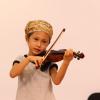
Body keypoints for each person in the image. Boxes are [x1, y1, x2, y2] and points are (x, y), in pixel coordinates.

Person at [10, 20, 74, 100]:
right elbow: (13, 73)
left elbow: (57, 81)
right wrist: (29, 58)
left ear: (48, 44)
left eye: (44, 41)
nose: (39, 44)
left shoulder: (49, 61)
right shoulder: (21, 59)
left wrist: (66, 61)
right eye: (36, 39)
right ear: (27, 38)